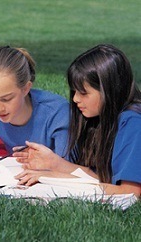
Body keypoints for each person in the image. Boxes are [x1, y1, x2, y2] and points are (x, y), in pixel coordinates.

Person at [13, 44, 141, 196]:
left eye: (83, 93)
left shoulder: (133, 122)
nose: (75, 99)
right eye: (74, 92)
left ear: (110, 90)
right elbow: (102, 178)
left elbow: (130, 193)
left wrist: (57, 180)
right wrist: (55, 164)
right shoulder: (100, 118)